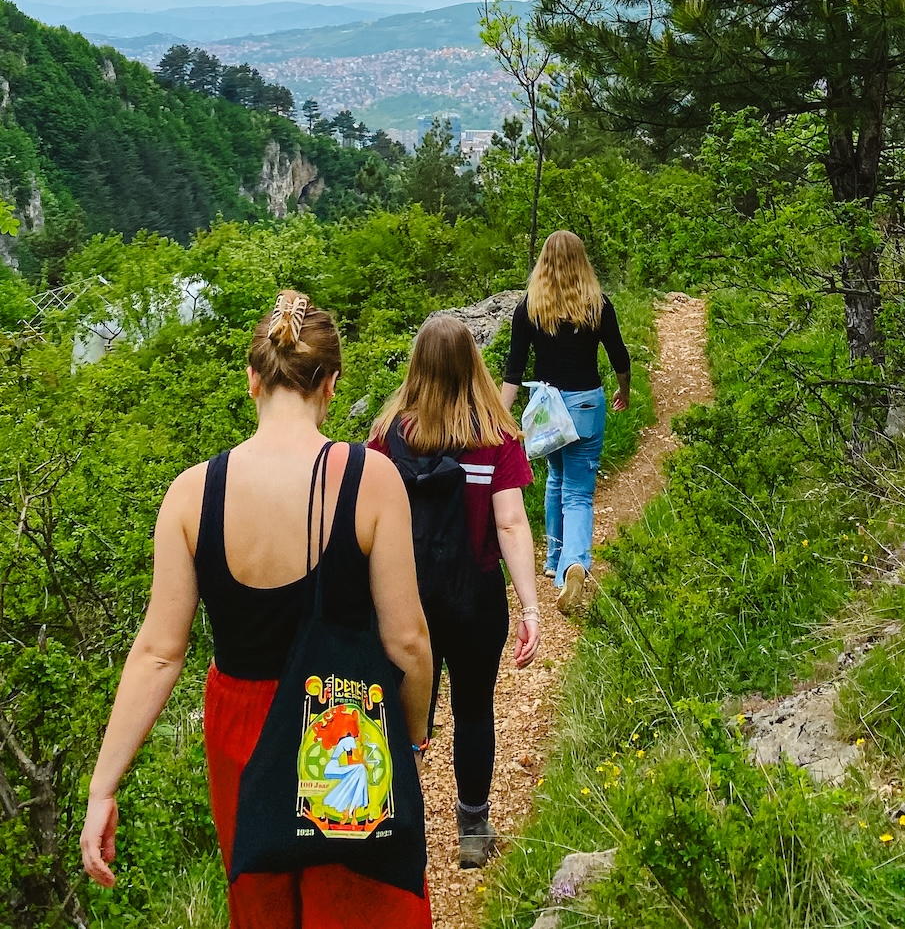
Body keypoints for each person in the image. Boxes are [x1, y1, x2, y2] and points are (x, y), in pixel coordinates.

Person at [80, 290, 433, 929]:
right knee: (359, 905)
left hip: (240, 730)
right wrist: (410, 738)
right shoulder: (371, 478)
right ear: (331, 383)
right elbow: (407, 639)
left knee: (263, 907)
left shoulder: (192, 495)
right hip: (344, 724)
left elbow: (160, 652)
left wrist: (104, 787)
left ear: (252, 380)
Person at [369, 314, 540, 870]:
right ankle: (472, 829)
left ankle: (398, 828)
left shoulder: (389, 435)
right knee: (473, 708)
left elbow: (364, 520)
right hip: (476, 597)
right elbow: (511, 525)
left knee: (402, 712)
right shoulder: (496, 436)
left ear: (417, 365)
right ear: (473, 363)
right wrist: (530, 605)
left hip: (402, 602)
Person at [501, 231, 631, 615]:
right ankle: (573, 564)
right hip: (586, 404)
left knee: (556, 476)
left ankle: (554, 559)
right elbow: (619, 355)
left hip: (547, 408)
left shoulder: (529, 308)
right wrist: (625, 389)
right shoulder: (597, 305)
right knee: (576, 489)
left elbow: (514, 368)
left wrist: (499, 414)